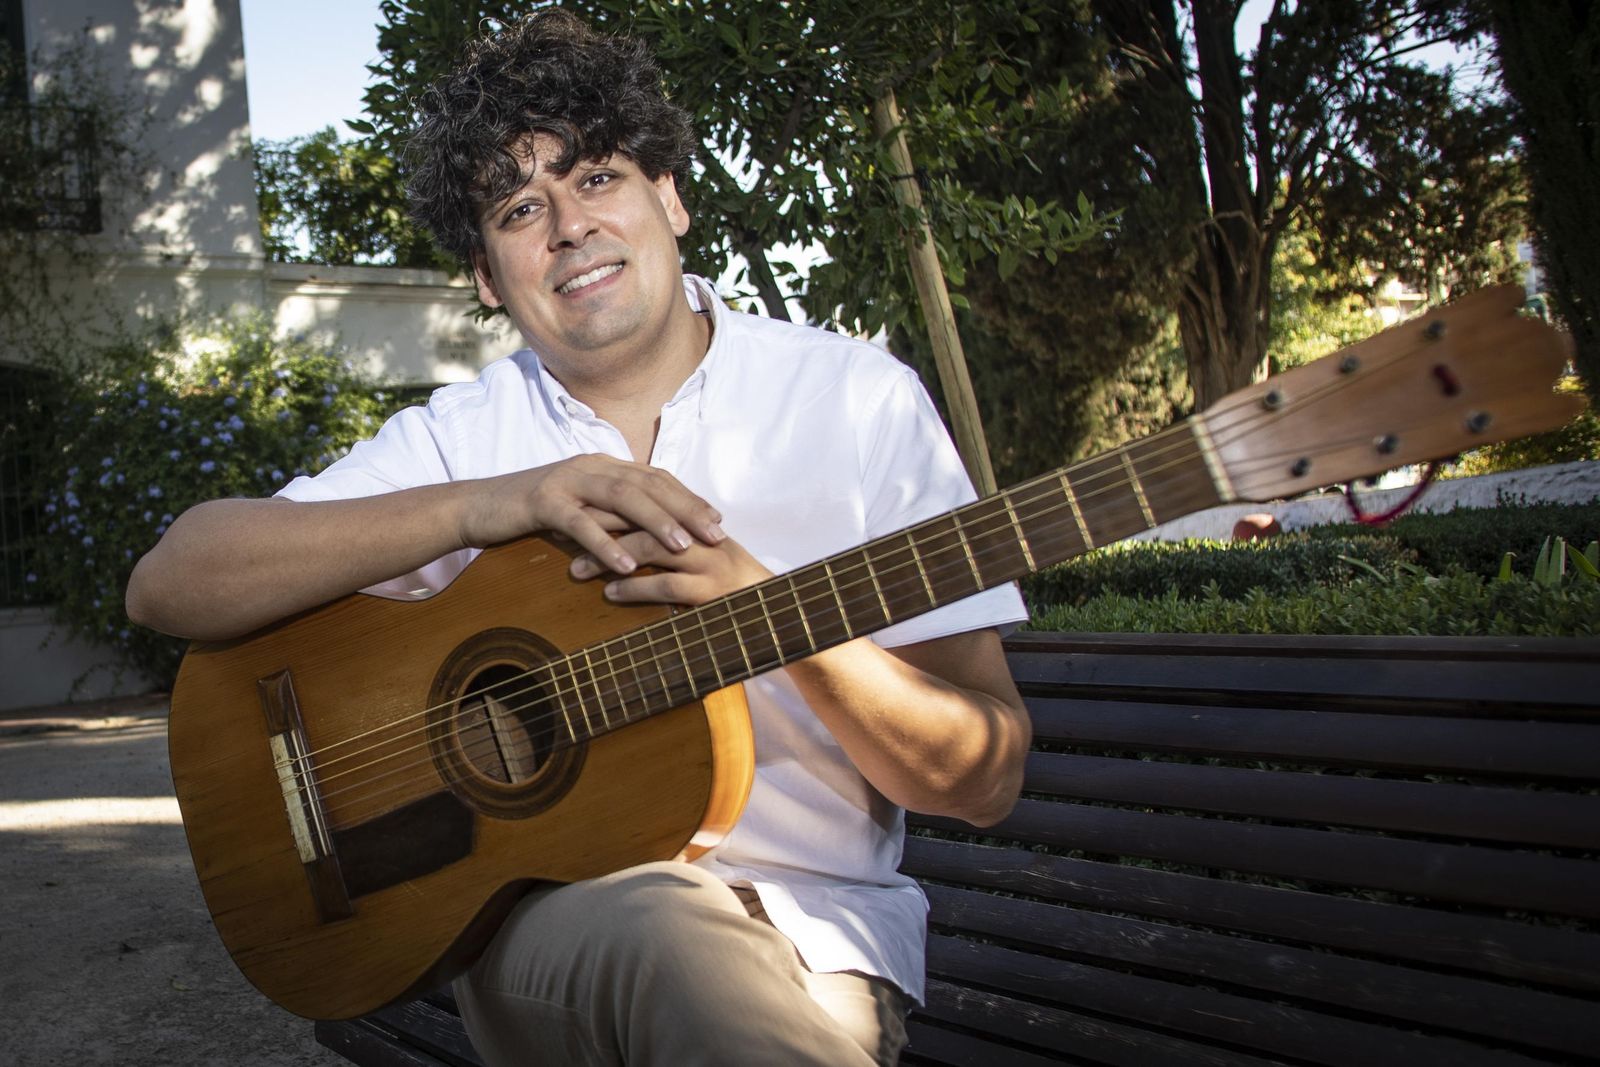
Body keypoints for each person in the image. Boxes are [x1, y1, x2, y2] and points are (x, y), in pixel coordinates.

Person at [126, 11, 1030, 1066]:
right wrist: (491, 504)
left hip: (819, 945)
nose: (568, 225)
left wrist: (768, 613)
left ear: (670, 197)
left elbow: (984, 778)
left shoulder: (858, 401)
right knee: (659, 927)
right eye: (520, 207)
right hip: (559, 926)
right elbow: (171, 581)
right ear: (486, 276)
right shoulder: (464, 439)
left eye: (596, 176)